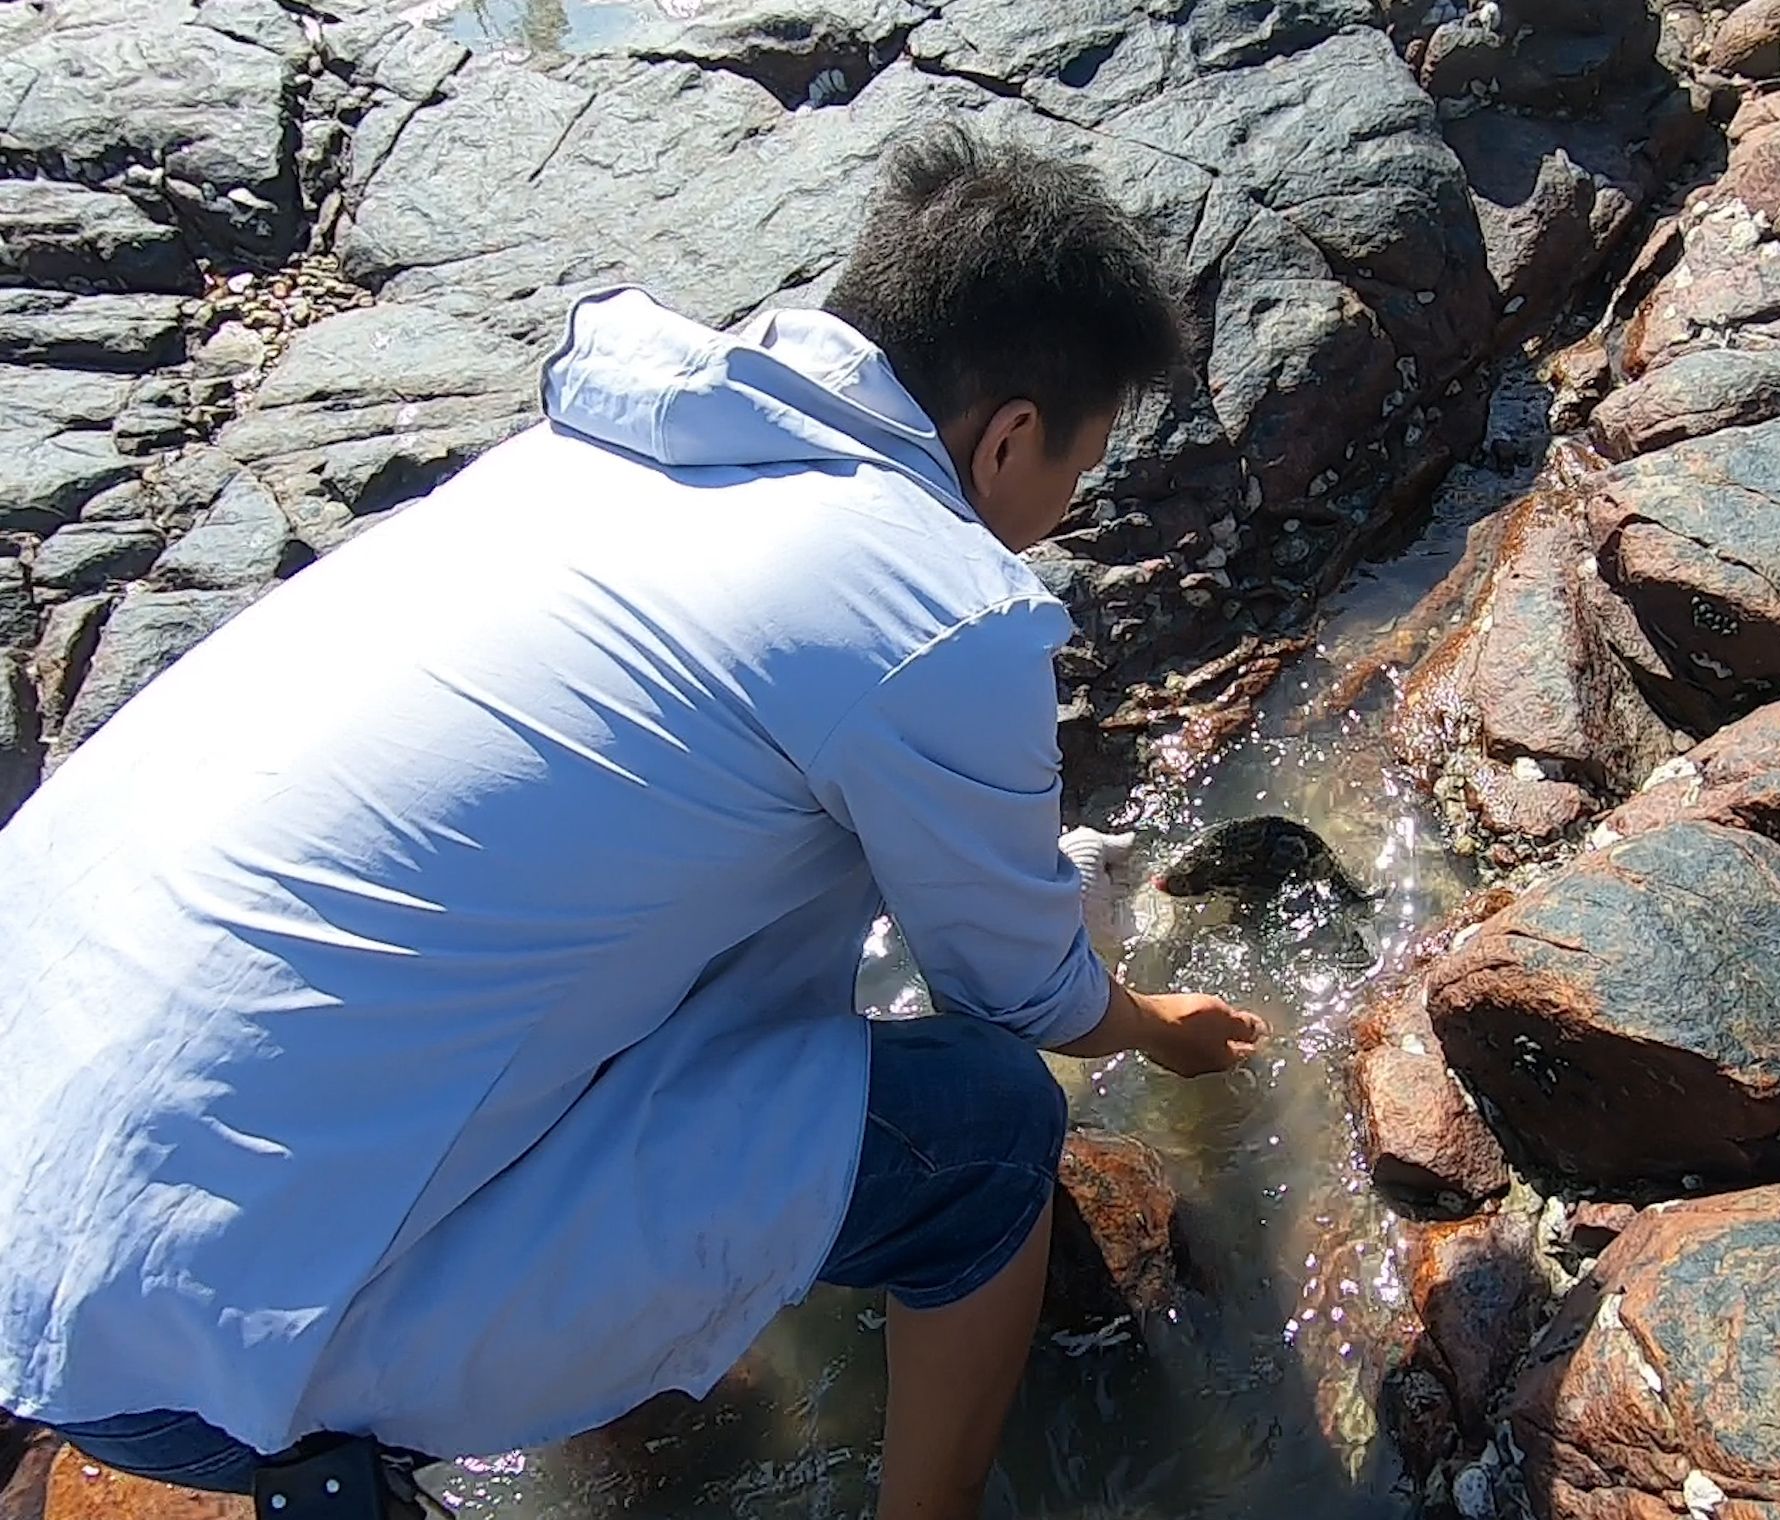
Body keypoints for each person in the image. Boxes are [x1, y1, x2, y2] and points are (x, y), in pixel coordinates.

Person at [0, 123, 1266, 1520]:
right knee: (980, 1135)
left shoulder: (597, 453)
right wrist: (1151, 1026)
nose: (1060, 514)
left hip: (43, 1147)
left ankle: (630, 1415)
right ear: (1009, 436)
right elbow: (1016, 988)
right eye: (1073, 476)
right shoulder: (927, 601)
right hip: (178, 1340)